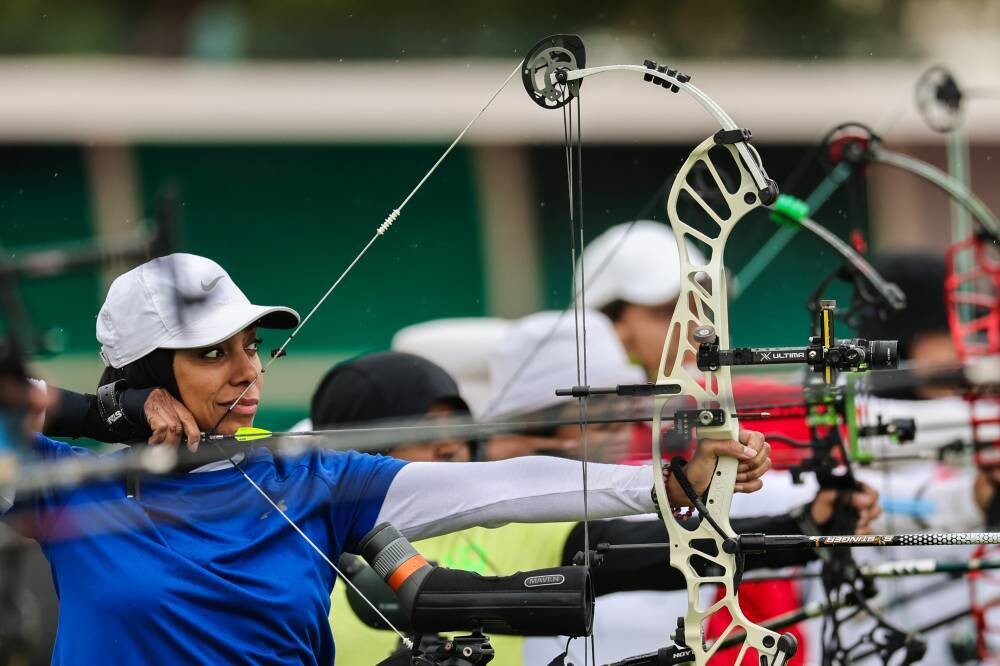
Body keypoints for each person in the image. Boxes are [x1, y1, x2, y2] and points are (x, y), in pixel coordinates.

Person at [4, 253, 773, 665]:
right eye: (213, 354)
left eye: (252, 347)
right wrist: (98, 412)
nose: (249, 372)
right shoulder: (66, 483)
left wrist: (663, 482)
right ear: (145, 374)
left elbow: (500, 487)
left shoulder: (304, 477)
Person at [306, 348, 879, 665]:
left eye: (457, 425)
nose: (450, 445)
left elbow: (666, 553)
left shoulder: (506, 520)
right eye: (426, 431)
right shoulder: (299, 541)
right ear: (361, 446)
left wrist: (802, 527)